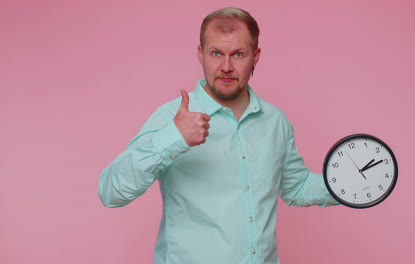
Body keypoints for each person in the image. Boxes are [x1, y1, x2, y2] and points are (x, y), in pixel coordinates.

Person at [99, 7, 339, 264]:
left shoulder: (276, 122)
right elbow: (111, 192)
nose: (226, 66)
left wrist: (349, 184)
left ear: (255, 56)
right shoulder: (171, 117)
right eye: (216, 53)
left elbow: (297, 187)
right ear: (200, 54)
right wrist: (173, 138)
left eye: (238, 54)